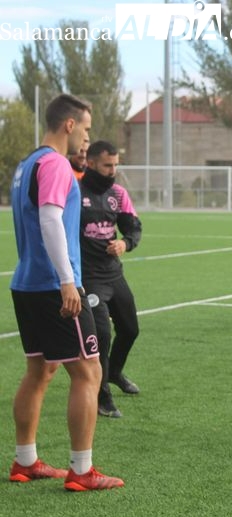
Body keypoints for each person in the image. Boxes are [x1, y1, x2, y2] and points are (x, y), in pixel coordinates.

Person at [8, 93, 124, 491]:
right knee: (89, 371)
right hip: (52, 285)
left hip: (24, 283)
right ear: (69, 125)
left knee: (40, 371)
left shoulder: (26, 165)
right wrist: (66, 280)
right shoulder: (56, 164)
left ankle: (25, 462)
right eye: (87, 129)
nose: (88, 139)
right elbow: (51, 219)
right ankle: (82, 470)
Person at [79, 140, 142, 418]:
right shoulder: (74, 192)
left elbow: (133, 228)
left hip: (114, 274)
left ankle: (114, 372)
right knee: (102, 335)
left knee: (130, 329)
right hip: (89, 277)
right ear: (90, 163)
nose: (113, 170)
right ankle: (102, 396)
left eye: (116, 165)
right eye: (107, 165)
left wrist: (125, 244)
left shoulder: (119, 193)